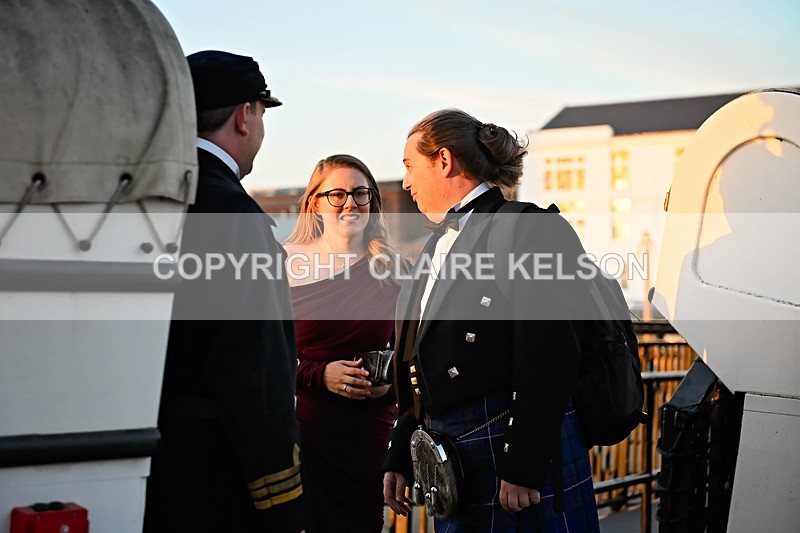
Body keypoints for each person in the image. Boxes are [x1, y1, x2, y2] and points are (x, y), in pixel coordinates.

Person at [382, 109, 600, 531]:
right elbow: (416, 356)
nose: (406, 182)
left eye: (410, 166)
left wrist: (524, 462)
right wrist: (402, 449)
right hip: (454, 455)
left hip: (508, 457)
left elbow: (551, 352)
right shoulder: (434, 245)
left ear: (444, 161)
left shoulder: (532, 230)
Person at [144, 51, 305, 533]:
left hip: (150, 465)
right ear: (244, 116)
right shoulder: (233, 215)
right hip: (218, 478)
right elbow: (251, 370)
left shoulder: (151, 201)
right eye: (260, 113)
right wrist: (284, 499)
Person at [283, 154, 404, 532]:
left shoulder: (395, 269)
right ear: (315, 203)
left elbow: (415, 356)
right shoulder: (283, 264)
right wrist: (319, 374)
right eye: (336, 194)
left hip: (367, 433)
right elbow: (261, 355)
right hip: (301, 431)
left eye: (360, 193)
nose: (350, 203)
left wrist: (389, 381)